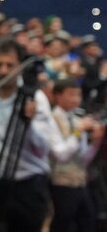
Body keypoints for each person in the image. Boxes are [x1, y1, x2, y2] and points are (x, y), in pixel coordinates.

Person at [0, 37, 53, 231]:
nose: (3, 70)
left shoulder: (35, 99)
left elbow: (43, 147)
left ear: (20, 67)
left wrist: (29, 123)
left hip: (27, 187)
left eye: (10, 65)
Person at [48, 78, 104, 232]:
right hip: (60, 182)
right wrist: (78, 132)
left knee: (88, 220)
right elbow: (60, 154)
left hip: (80, 181)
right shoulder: (51, 120)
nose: (76, 99)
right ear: (58, 96)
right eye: (71, 94)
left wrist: (96, 143)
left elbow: (84, 159)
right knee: (62, 223)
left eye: (78, 95)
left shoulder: (77, 119)